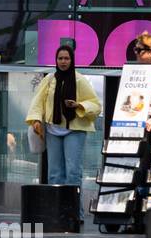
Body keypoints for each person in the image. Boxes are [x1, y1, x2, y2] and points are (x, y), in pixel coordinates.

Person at [25, 44, 102, 202]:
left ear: (72, 60)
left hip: (74, 129)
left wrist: (79, 105)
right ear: (56, 60)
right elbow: (38, 102)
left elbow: (96, 105)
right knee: (54, 173)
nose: (63, 61)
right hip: (53, 129)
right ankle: (56, 209)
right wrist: (37, 120)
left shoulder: (80, 80)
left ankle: (74, 212)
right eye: (60, 58)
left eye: (66, 58)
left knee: (73, 172)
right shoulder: (49, 79)